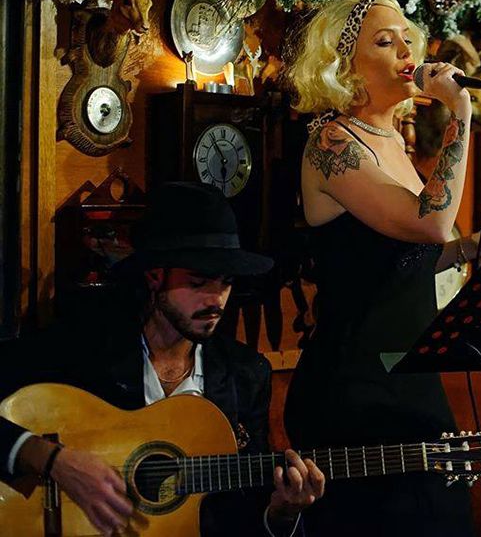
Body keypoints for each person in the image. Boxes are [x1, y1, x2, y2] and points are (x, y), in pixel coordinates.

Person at [283, 0, 481, 537]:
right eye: (384, 42)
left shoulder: (394, 140)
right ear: (345, 65)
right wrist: (460, 112)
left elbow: (402, 258)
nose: (405, 52)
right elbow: (432, 222)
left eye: (406, 40)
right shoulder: (331, 142)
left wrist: (475, 246)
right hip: (354, 387)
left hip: (409, 373)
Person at [0, 182, 325, 536]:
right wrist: (53, 460)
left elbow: (242, 514)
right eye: (198, 282)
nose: (216, 299)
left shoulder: (245, 375)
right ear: (155, 276)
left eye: (226, 282)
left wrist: (281, 514)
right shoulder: (84, 348)